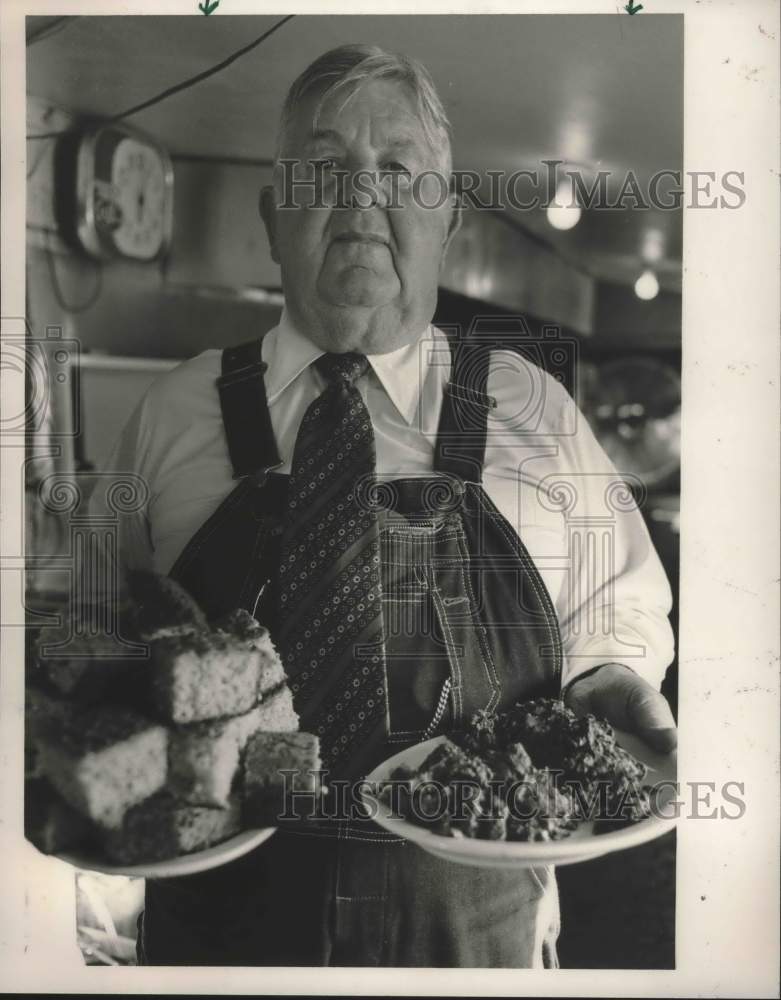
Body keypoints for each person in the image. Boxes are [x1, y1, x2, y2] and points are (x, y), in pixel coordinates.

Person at [96, 44, 677, 968]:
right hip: (215, 944)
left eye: (399, 170)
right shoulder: (169, 417)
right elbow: (93, 636)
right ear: (270, 214)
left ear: (445, 218)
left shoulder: (536, 413)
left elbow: (620, 607)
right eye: (324, 168)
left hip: (478, 938)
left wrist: (608, 678)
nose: (361, 195)